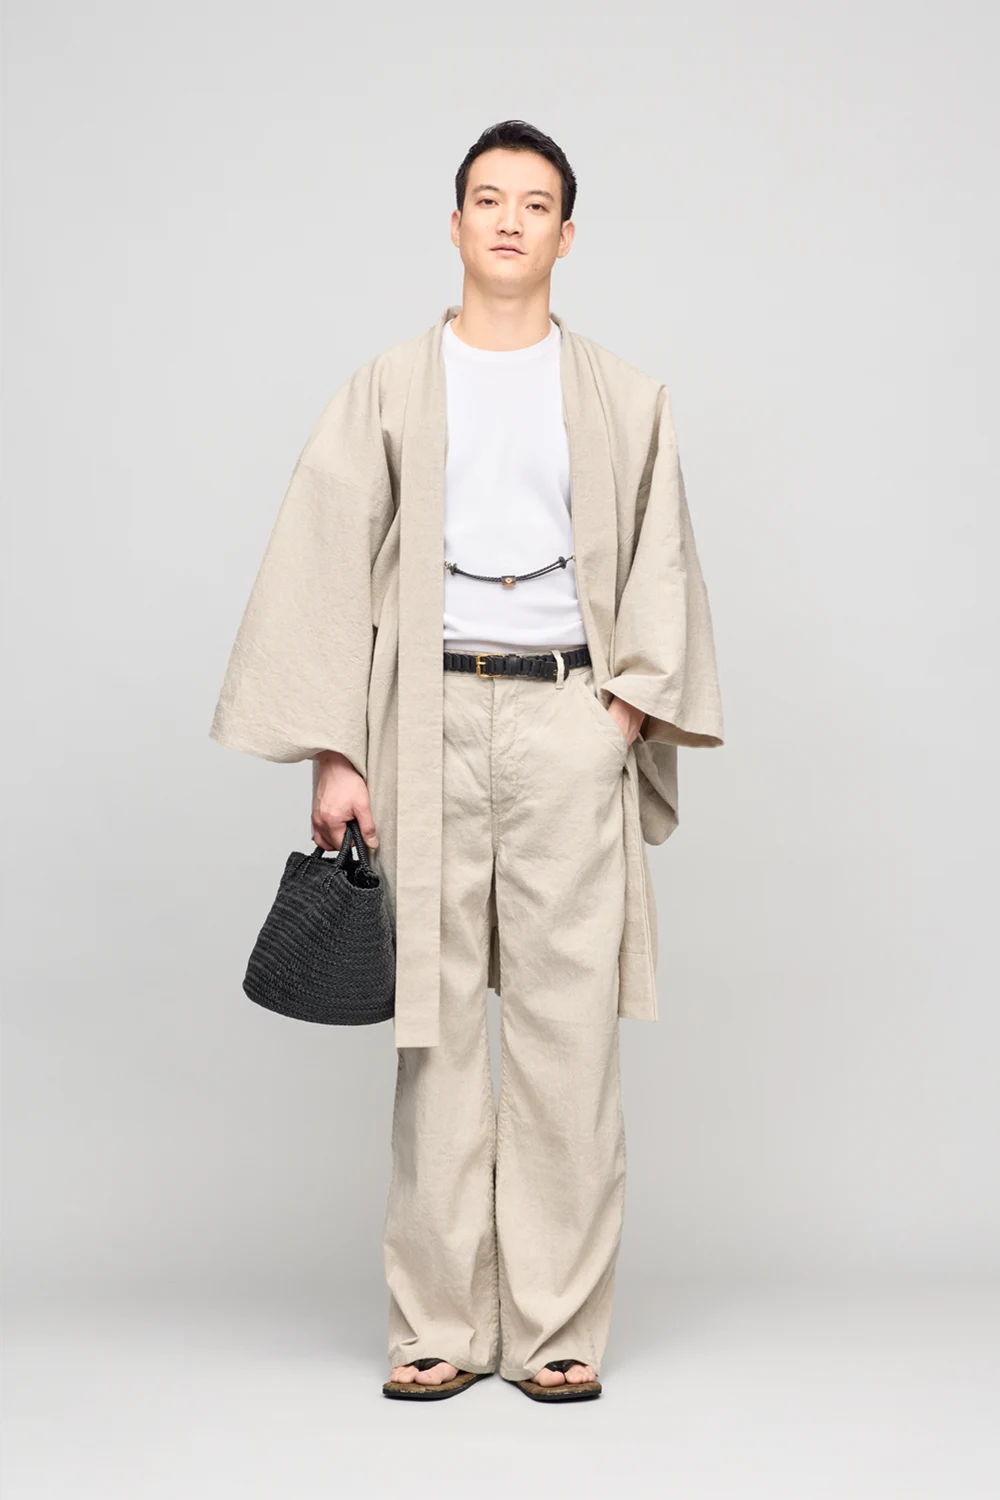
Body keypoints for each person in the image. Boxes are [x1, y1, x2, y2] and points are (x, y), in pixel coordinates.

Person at [209, 119, 724, 1404]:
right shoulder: (390, 385)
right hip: (422, 718)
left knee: (566, 1031)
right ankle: (434, 1323)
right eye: (486, 199)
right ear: (452, 226)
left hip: (568, 716)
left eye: (533, 203)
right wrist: (337, 751)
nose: (508, 220)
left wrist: (620, 716)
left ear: (565, 234)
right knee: (432, 1032)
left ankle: (556, 1329)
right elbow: (326, 558)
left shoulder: (625, 395)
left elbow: (660, 564)